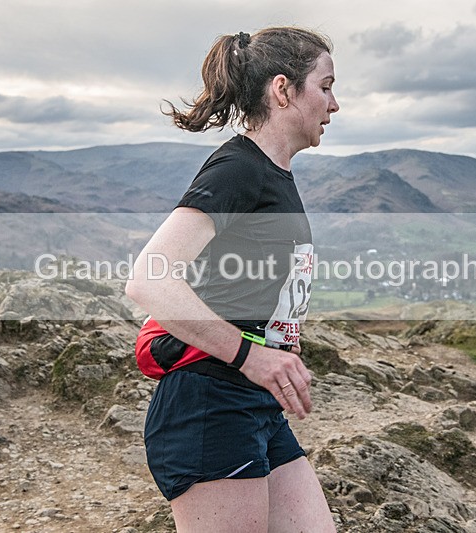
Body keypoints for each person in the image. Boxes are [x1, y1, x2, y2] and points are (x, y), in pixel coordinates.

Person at [126, 26, 340, 532]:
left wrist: (276, 355)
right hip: (210, 405)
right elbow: (149, 279)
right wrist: (252, 355)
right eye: (326, 86)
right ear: (283, 90)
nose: (335, 104)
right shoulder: (238, 169)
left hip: (254, 402)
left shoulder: (272, 174)